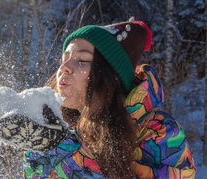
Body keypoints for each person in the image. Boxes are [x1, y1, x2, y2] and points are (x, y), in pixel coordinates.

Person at [20, 18, 197, 178]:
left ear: (110, 76)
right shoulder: (57, 125)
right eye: (64, 59)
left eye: (81, 60)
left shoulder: (158, 130)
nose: (64, 67)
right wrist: (37, 147)